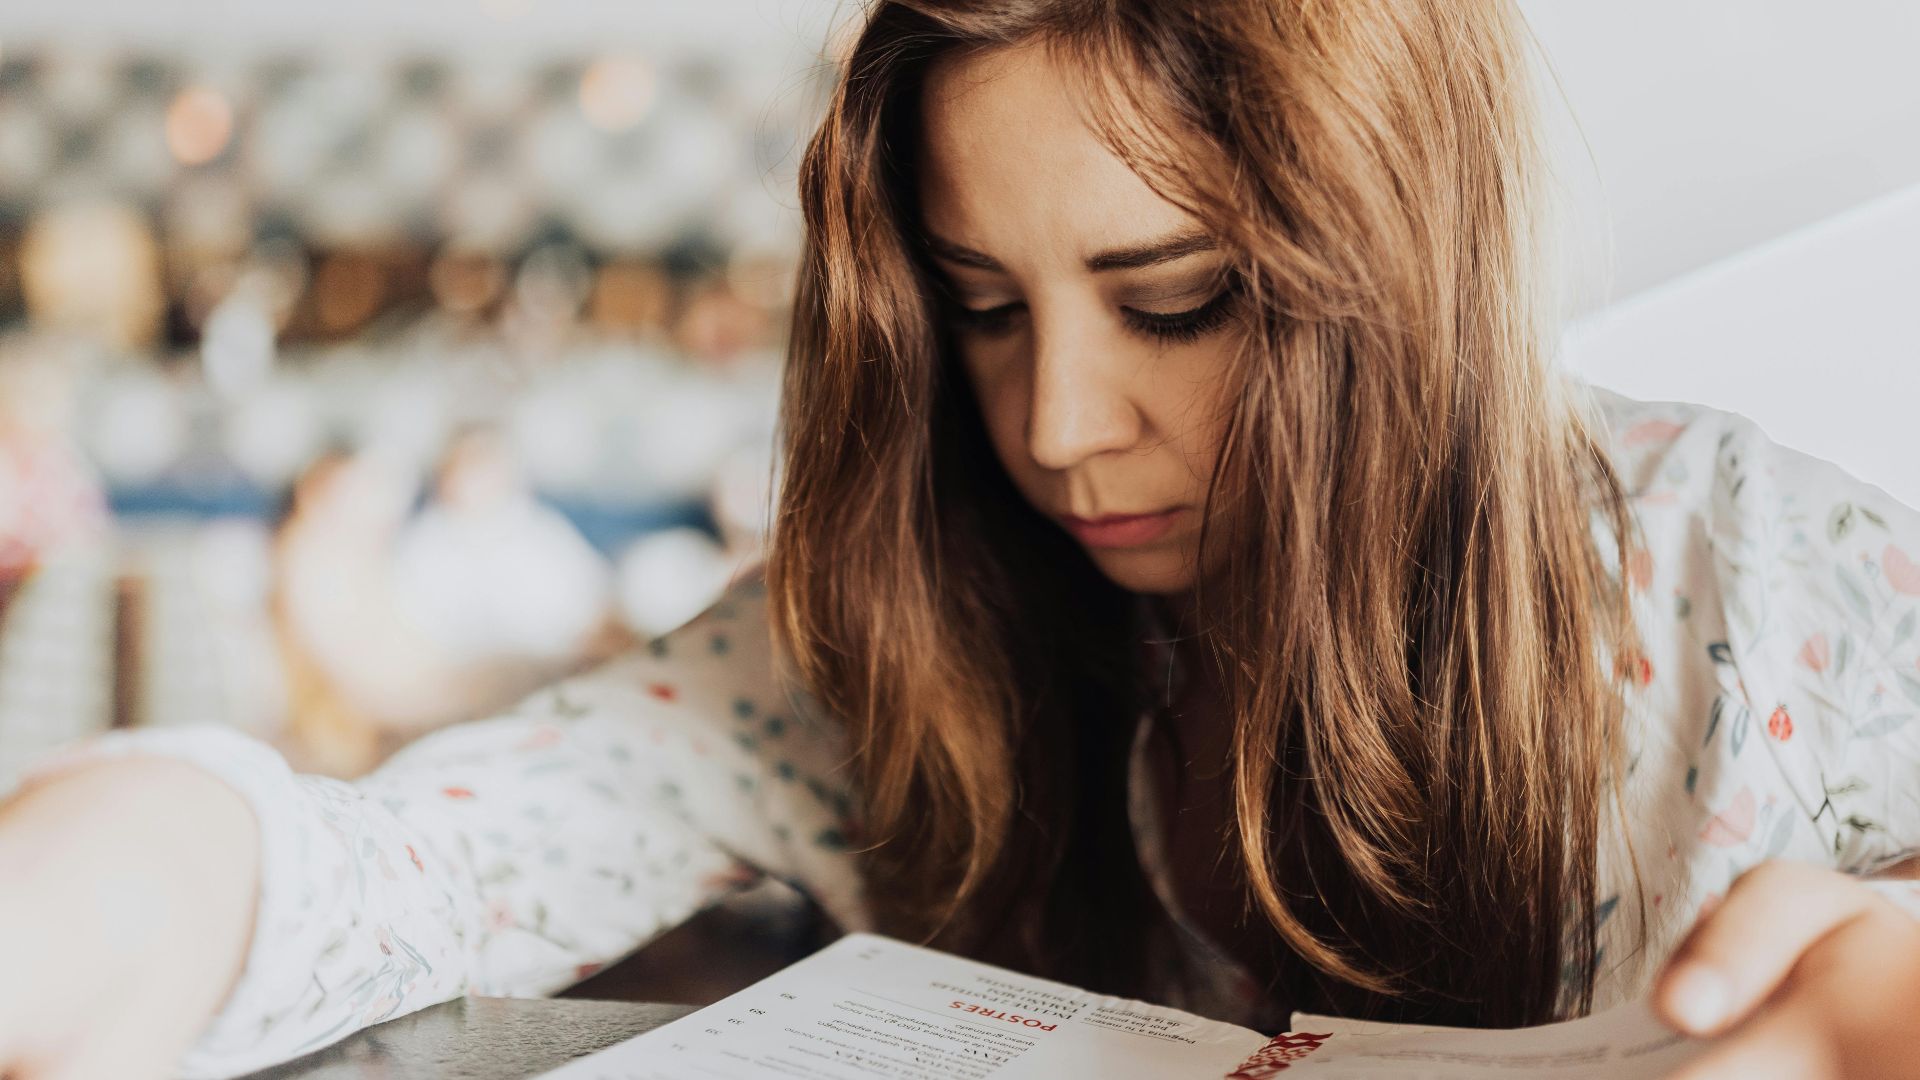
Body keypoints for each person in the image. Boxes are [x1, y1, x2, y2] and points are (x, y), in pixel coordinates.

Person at [2, 2, 1918, 1078]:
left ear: (1399, 277)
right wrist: (91, 884)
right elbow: (381, 867)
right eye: (984, 307)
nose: (1061, 431)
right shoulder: (892, 638)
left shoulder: (1759, 576)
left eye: (1174, 301)